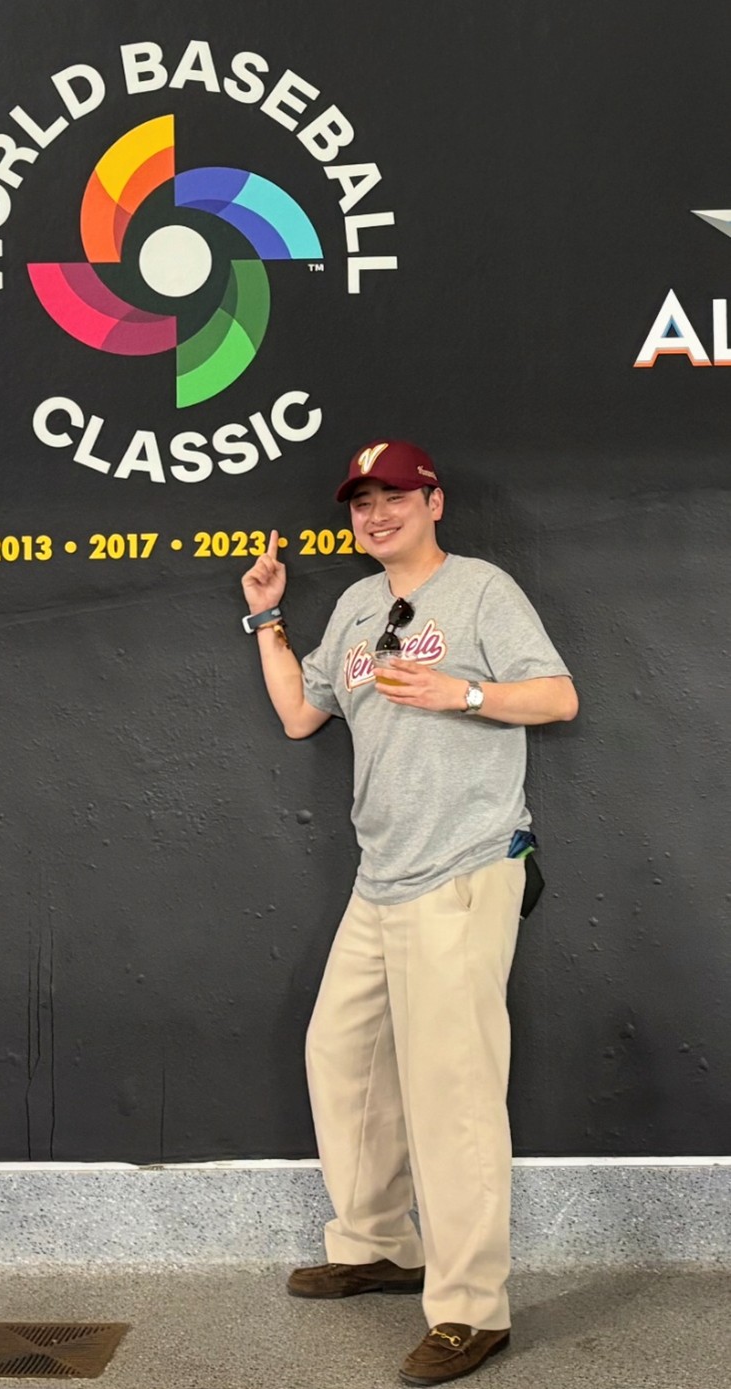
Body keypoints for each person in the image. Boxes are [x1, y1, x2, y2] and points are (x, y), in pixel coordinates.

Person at [240, 440, 577, 1387]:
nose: (375, 514)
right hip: (380, 875)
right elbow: (303, 715)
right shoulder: (353, 606)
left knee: (451, 1090)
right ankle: (381, 1243)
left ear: (433, 501)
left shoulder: (479, 589)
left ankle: (472, 1310)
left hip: (464, 867)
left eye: (393, 496)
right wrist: (266, 617)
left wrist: (459, 692)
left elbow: (556, 695)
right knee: (339, 1054)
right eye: (360, 503)